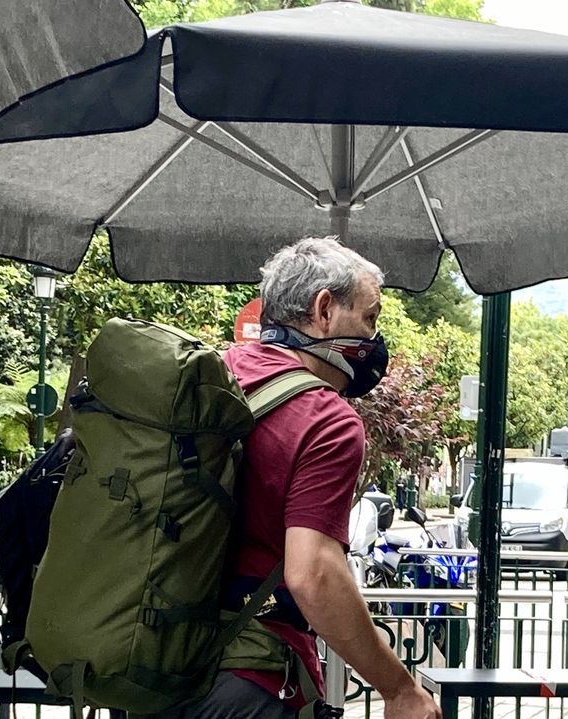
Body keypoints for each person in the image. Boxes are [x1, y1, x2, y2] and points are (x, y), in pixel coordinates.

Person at [162, 237, 440, 719]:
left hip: (158, 666)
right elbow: (312, 573)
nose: (374, 340)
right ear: (324, 309)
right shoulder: (327, 420)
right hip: (251, 680)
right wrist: (399, 690)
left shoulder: (214, 378)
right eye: (370, 318)